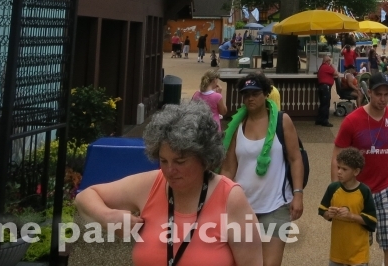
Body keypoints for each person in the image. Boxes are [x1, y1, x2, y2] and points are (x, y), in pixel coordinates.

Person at [75, 101, 262, 266]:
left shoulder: (230, 198)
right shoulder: (151, 184)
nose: (169, 170)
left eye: (180, 162)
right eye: (163, 161)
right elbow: (85, 196)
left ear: (204, 158)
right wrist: (107, 217)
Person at [332, 72, 388, 266]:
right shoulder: (353, 120)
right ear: (369, 92)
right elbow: (337, 154)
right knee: (357, 243)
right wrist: (336, 188)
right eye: (378, 94)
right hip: (359, 188)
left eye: (386, 94)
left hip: (387, 187)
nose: (383, 98)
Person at [220, 73, 305, 266]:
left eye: (255, 93)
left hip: (275, 205)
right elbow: (228, 168)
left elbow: (295, 158)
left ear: (266, 94)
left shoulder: (283, 122)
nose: (250, 98)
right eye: (246, 94)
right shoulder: (236, 126)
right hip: (242, 207)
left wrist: (298, 194)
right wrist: (219, 199)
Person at [320, 148, 378, 266]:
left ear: (356, 172)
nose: (339, 172)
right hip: (337, 252)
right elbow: (322, 211)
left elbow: (371, 220)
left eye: (344, 169)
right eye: (338, 167)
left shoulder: (364, 191)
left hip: (359, 253)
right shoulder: (333, 188)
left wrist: (351, 215)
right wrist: (328, 214)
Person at [317, 54, 338, 127]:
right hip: (325, 87)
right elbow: (336, 73)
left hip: (322, 87)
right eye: (329, 60)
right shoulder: (326, 67)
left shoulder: (322, 67)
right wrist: (332, 65)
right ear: (326, 61)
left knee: (323, 104)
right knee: (326, 104)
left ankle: (319, 119)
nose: (330, 62)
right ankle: (325, 121)